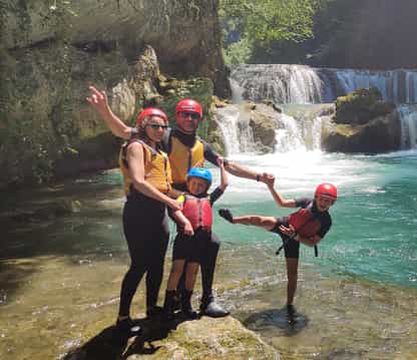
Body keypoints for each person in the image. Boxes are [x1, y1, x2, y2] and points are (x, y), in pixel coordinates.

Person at [87, 86, 271, 317]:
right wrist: (104, 110)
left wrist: (257, 176)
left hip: (190, 197)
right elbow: (123, 131)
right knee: (173, 246)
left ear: (199, 119)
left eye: (195, 115)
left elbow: (227, 165)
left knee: (210, 243)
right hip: (167, 196)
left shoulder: (201, 145)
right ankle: (171, 299)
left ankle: (203, 299)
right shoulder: (161, 134)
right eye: (185, 114)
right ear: (177, 116)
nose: (190, 119)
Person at [112, 107, 183, 335]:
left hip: (157, 213)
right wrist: (171, 203)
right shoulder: (135, 146)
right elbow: (139, 182)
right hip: (138, 212)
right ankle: (123, 317)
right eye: (155, 125)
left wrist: (183, 197)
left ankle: (152, 307)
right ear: (144, 126)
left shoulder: (159, 152)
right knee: (139, 264)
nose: (160, 130)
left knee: (157, 263)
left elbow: (166, 186)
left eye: (163, 126)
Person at [218, 178, 336, 314]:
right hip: (285, 224)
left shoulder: (326, 221)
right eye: (322, 199)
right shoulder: (306, 202)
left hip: (295, 239)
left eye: (328, 201)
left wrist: (296, 237)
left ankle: (289, 305)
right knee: (262, 220)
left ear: (332, 203)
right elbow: (282, 203)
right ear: (316, 197)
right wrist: (271, 186)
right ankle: (233, 220)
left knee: (292, 274)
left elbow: (313, 243)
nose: (324, 203)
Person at [163, 164, 228, 321]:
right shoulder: (183, 197)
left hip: (200, 241)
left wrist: (222, 165)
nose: (197, 187)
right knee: (176, 271)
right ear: (188, 183)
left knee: (192, 271)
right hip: (185, 239)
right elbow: (175, 209)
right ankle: (169, 305)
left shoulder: (209, 198)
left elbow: (224, 185)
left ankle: (186, 304)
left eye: (201, 185)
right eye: (194, 183)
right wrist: (185, 222)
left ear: (206, 187)